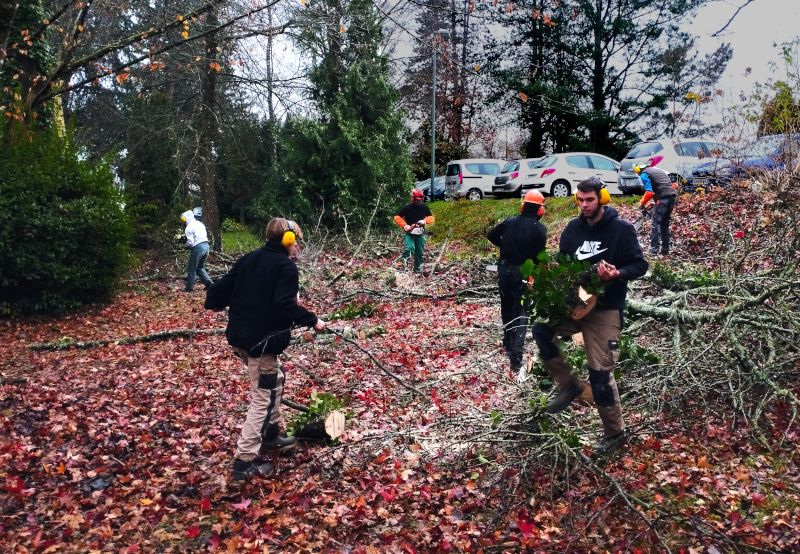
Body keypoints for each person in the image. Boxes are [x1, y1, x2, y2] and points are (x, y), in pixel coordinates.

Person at [531, 178, 648, 456]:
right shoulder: (572, 230)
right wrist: (545, 279)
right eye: (580, 200)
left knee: (600, 374)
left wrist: (617, 274)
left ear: (602, 198)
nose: (584, 205)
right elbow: (563, 264)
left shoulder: (621, 230)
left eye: (590, 200)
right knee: (541, 330)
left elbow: (640, 265)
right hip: (576, 302)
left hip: (606, 308)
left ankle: (615, 433)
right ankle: (569, 385)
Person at [204, 218, 327, 481]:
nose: (297, 247)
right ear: (288, 240)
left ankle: (271, 436)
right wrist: (312, 320)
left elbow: (217, 292)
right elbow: (285, 305)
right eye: (296, 241)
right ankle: (244, 463)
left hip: (242, 338)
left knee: (276, 381)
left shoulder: (250, 258)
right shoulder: (285, 267)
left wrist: (219, 302)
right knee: (263, 396)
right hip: (262, 344)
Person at [486, 190, 548, 373]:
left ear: (523, 205)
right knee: (522, 310)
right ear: (539, 210)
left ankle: (508, 342)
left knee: (506, 305)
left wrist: (505, 245)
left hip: (504, 270)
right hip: (523, 272)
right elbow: (539, 257)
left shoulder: (509, 222)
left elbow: (491, 235)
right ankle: (516, 356)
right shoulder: (540, 229)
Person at [634, 164, 677, 256]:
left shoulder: (644, 174)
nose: (638, 175)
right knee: (664, 223)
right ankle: (665, 249)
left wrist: (641, 202)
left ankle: (654, 249)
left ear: (638, 170)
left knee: (655, 223)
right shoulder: (656, 170)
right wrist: (655, 202)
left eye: (637, 172)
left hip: (662, 199)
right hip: (671, 197)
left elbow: (649, 192)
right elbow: (667, 186)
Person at [393, 189, 435, 273]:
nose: (419, 202)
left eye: (420, 200)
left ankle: (417, 269)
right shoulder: (407, 208)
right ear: (413, 198)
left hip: (420, 233)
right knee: (409, 248)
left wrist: (425, 221)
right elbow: (397, 217)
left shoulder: (424, 207)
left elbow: (431, 217)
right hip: (409, 233)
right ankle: (402, 267)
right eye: (417, 200)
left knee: (420, 252)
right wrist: (405, 225)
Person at [181, 208, 214, 292]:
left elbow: (190, 242)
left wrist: (184, 245)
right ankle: (210, 284)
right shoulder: (200, 224)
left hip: (198, 248)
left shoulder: (188, 228)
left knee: (191, 268)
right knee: (200, 267)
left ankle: (189, 288)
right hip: (206, 246)